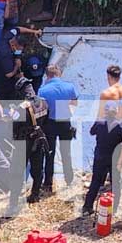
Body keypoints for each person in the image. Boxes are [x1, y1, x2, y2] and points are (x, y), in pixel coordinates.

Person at [6, 75, 49, 214]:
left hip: (23, 142)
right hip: (39, 138)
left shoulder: (22, 107)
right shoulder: (43, 102)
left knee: (17, 173)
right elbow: (46, 119)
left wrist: (12, 113)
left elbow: (15, 126)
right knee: (37, 168)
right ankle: (35, 194)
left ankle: (13, 204)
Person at [38, 65, 79, 194]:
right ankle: (69, 180)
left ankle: (48, 184)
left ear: (47, 75)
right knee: (66, 152)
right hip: (65, 121)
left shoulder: (43, 90)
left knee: (49, 153)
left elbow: (42, 108)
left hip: (49, 123)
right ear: (59, 74)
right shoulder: (70, 86)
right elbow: (74, 103)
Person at [82, 101, 122, 216]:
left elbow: (91, 132)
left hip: (100, 156)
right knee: (115, 184)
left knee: (95, 182)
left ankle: (87, 206)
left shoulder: (99, 123)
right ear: (116, 112)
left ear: (105, 111)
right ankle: (114, 208)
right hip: (114, 158)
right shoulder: (120, 125)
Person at [0, 27, 41, 100]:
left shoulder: (8, 37)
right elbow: (9, 74)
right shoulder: (5, 55)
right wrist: (17, 67)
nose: (19, 51)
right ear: (14, 45)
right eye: (19, 49)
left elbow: (18, 29)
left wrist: (34, 31)